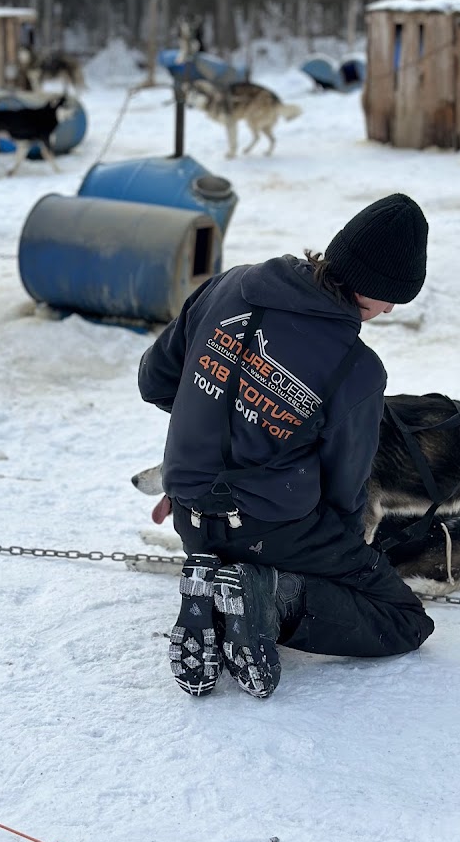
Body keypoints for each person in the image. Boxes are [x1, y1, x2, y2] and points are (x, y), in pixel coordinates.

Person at [137, 193, 435, 700]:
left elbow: (156, 380)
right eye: (392, 298)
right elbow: (345, 492)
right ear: (373, 288)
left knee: (257, 541)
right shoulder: (356, 368)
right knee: (404, 621)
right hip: (273, 528)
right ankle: (265, 599)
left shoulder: (229, 286)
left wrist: (207, 454)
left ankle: (219, 588)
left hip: (189, 513)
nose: (388, 311)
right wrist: (332, 565)